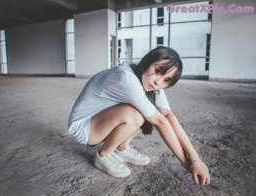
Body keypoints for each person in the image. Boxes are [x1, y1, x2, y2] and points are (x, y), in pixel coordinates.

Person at [68, 46, 210, 186]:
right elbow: (160, 122)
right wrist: (188, 163)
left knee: (146, 110)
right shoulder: (126, 77)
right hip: (85, 127)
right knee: (137, 114)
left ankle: (121, 147)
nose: (158, 82)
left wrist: (196, 160)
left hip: (103, 123)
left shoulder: (152, 84)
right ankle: (103, 155)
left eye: (166, 80)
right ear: (148, 62)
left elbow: (167, 116)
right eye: (158, 71)